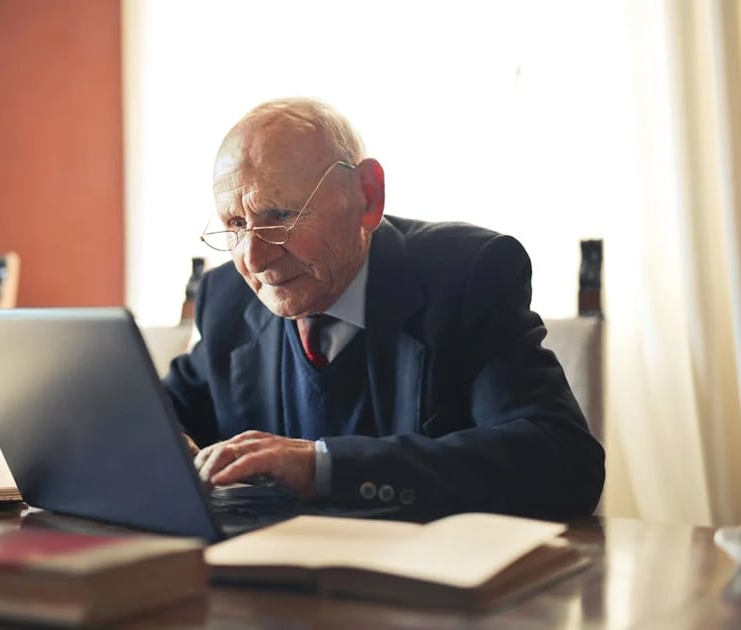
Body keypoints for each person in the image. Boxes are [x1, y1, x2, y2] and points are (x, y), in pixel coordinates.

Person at [163, 97, 604, 521]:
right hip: (265, 585)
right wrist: (159, 446)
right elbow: (159, 413)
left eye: (279, 215)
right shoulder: (228, 299)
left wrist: (321, 465)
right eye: (236, 224)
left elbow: (561, 461)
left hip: (424, 587)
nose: (254, 259)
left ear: (367, 197)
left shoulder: (467, 276)